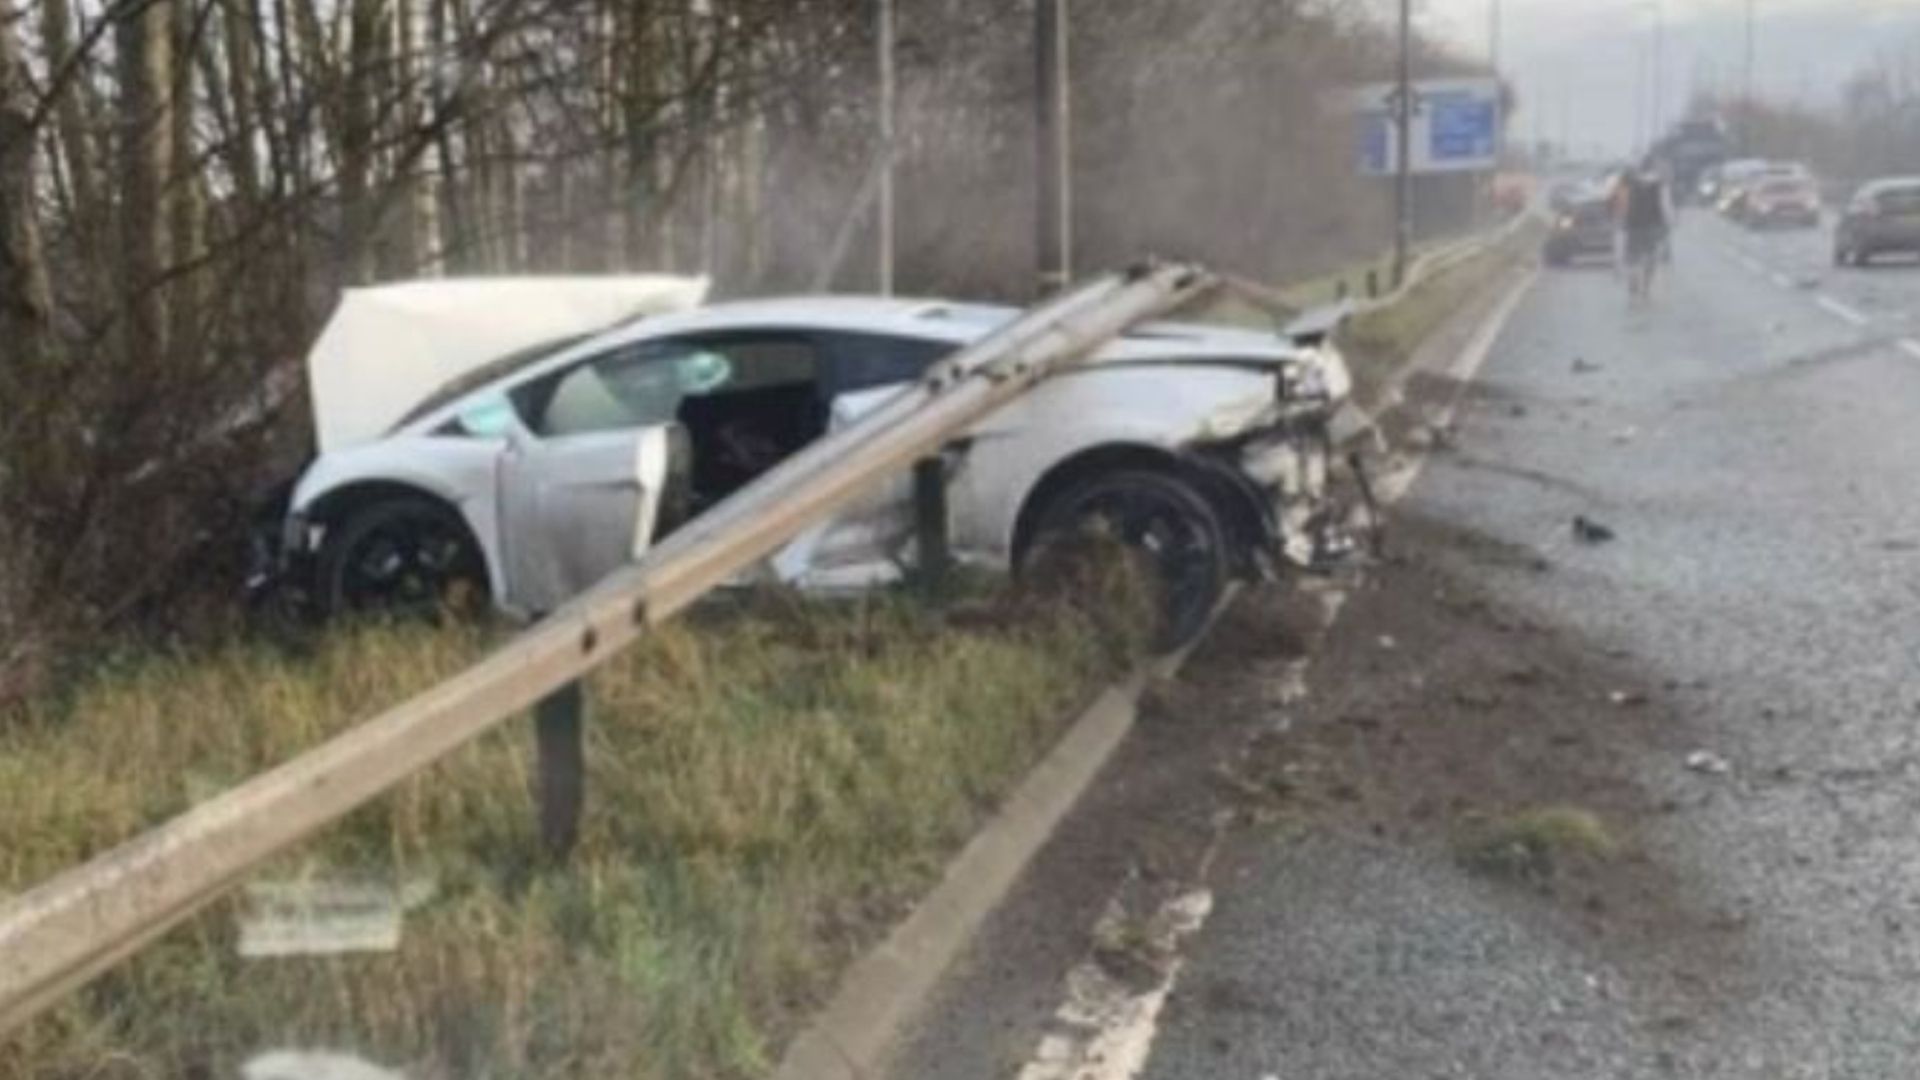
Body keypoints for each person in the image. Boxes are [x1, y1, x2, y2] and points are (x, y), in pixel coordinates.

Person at [1611, 161, 1671, 301]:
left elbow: (1622, 205)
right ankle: (1646, 286)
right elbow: (1665, 205)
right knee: (1651, 256)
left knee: (1632, 257)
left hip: (1633, 226)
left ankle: (1633, 279)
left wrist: (1621, 222)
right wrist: (1668, 224)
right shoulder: (1659, 184)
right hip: (1652, 225)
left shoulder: (1630, 184)